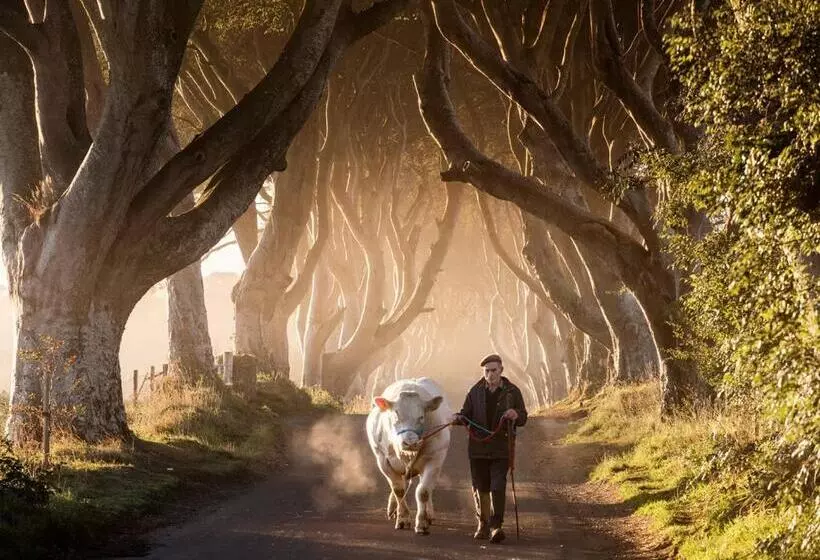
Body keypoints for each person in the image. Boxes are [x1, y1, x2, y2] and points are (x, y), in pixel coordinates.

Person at [451, 354, 527, 544]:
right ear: (483, 372)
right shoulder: (474, 392)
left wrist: (515, 414)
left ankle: (496, 526)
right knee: (480, 487)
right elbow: (465, 414)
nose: (490, 374)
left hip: (502, 448)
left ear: (501, 370)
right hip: (477, 449)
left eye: (494, 370)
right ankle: (483, 524)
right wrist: (458, 418)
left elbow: (524, 417)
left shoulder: (512, 392)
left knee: (497, 485)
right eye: (487, 371)